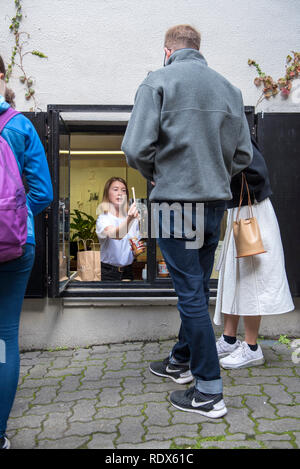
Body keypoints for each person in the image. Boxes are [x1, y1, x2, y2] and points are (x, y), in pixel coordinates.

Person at [121, 25, 253, 418]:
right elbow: (243, 155)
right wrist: (214, 172)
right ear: (198, 49)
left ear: (167, 51)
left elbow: (133, 147)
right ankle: (181, 359)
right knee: (196, 287)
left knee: (190, 294)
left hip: (176, 205)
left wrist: (157, 174)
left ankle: (209, 391)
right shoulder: (230, 89)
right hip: (215, 205)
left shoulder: (158, 80)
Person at [0, 55, 53, 450]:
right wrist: (15, 217)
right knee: (4, 337)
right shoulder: (19, 125)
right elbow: (44, 194)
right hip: (15, 246)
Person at [214, 137, 294, 368]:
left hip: (252, 213)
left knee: (251, 280)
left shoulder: (237, 136)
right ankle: (229, 339)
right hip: (240, 211)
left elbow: (257, 174)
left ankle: (251, 347)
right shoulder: (231, 134)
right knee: (234, 279)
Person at [96, 177, 143, 281]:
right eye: (115, 189)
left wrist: (137, 250)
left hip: (128, 271)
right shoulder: (103, 219)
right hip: (108, 273)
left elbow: (134, 245)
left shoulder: (134, 220)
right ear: (107, 193)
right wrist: (130, 219)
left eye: (123, 190)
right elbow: (116, 235)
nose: (120, 193)